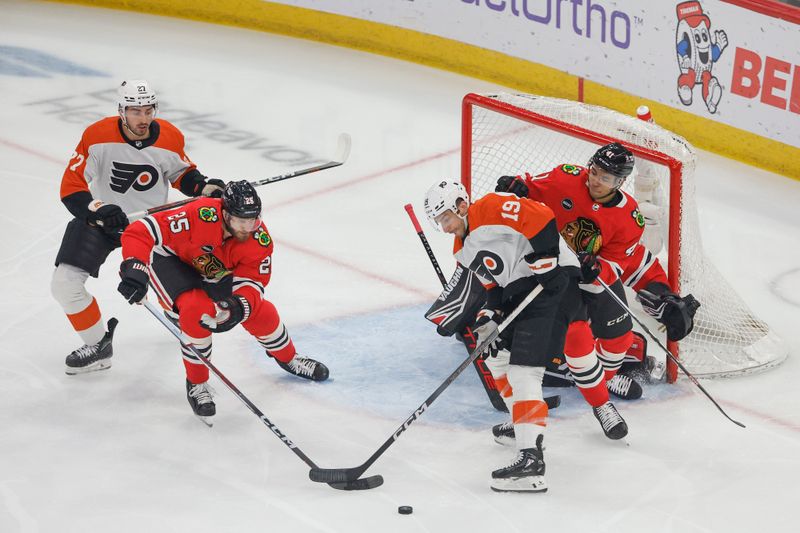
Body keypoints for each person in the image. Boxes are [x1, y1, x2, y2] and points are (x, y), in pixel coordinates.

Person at [495, 143, 699, 412]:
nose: (596, 180)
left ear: (620, 182)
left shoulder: (629, 219)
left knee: (617, 334)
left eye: (606, 178)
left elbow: (623, 266)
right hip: (543, 263)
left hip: (583, 279)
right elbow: (531, 186)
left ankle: (601, 380)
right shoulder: (566, 178)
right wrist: (516, 185)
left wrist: (664, 296)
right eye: (595, 171)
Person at [117, 180, 329, 425]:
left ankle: (289, 358)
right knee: (195, 312)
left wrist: (238, 306)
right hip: (172, 261)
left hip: (212, 268)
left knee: (260, 311)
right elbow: (140, 231)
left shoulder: (258, 239)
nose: (249, 227)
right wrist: (135, 267)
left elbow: (252, 281)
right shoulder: (196, 214)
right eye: (241, 220)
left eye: (254, 219)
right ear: (225, 213)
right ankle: (197, 384)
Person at [53, 79, 225, 375]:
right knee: (64, 284)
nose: (143, 118)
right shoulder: (96, 136)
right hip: (104, 222)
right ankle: (98, 346)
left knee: (189, 286)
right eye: (135, 111)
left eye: (148, 110)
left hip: (153, 225)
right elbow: (72, 187)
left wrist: (202, 186)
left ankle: (176, 310)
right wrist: (98, 210)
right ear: (122, 110)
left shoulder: (170, 137)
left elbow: (182, 173)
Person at [423, 179, 582, 493]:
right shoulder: (462, 249)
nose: (444, 228)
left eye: (445, 219)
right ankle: (522, 425)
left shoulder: (491, 207)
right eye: (439, 223)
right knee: (496, 356)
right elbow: (494, 286)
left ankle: (531, 460)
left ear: (461, 205)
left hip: (556, 282)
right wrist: (489, 316)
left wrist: (548, 260)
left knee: (525, 371)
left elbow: (542, 216)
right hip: (523, 288)